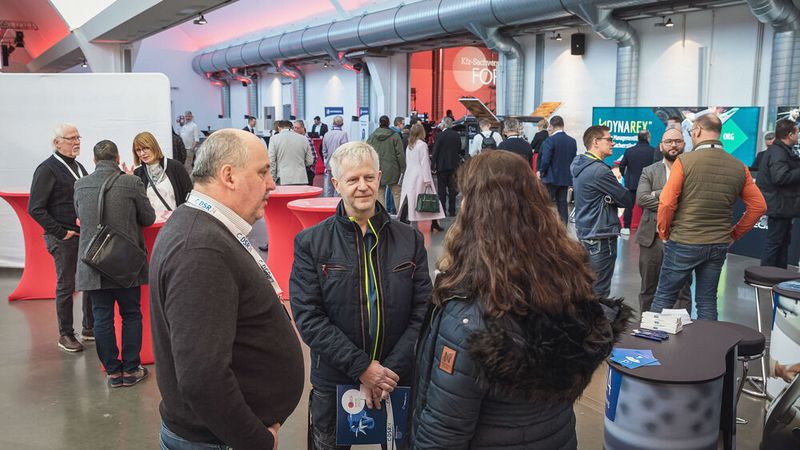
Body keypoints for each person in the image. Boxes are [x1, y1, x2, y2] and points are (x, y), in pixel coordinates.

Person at [411, 150, 632, 449]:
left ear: (477, 212)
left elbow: (444, 431)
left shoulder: (468, 315)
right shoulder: (569, 283)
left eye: (466, 198)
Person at [150, 129, 304, 449]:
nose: (272, 183)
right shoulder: (201, 249)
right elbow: (202, 377)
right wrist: (256, 440)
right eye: (262, 172)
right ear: (229, 176)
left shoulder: (203, 228)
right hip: (220, 440)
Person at [290, 141, 431, 450]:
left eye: (368, 177)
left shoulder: (409, 240)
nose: (362, 187)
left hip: (397, 378)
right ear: (337, 183)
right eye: (352, 180)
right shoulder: (311, 243)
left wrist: (386, 372)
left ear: (380, 177)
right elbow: (308, 317)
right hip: (335, 379)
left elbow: (422, 311)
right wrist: (363, 369)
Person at [651, 114, 767, 320]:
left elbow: (667, 202)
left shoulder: (684, 161)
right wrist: (734, 235)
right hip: (718, 244)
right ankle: (710, 350)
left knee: (664, 298)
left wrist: (664, 232)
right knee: (706, 301)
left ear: (696, 130)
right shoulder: (739, 166)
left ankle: (649, 348)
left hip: (684, 241)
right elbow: (758, 206)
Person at [74, 140, 155, 387]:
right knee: (131, 314)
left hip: (94, 263)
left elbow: (79, 215)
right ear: (118, 158)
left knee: (101, 318)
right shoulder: (132, 182)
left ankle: (112, 372)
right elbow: (148, 218)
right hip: (124, 263)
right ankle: (131, 370)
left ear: (94, 161)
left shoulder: (80, 184)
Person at [29, 123, 94, 352]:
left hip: (82, 235)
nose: (76, 142)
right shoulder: (47, 169)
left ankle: (89, 328)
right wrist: (60, 232)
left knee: (88, 281)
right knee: (66, 286)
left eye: (78, 137)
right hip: (63, 238)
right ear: (57, 142)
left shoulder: (78, 166)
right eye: (70, 138)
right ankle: (65, 334)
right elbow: (35, 208)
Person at [570, 125, 633, 298]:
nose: (613, 143)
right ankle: (598, 325)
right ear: (595, 142)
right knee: (600, 292)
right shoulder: (600, 170)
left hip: (586, 233)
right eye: (609, 139)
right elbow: (626, 199)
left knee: (589, 289)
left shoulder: (579, 164)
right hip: (601, 237)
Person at [636, 127, 693, 315]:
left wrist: (657, 193)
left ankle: (682, 335)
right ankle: (646, 328)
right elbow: (642, 199)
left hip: (681, 237)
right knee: (648, 288)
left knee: (682, 290)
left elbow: (691, 200)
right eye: (669, 141)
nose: (673, 145)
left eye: (677, 141)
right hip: (651, 239)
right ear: (661, 146)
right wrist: (671, 195)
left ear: (684, 144)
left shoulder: (691, 170)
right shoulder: (649, 171)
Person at [758, 119, 800, 269]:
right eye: (797, 133)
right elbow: (780, 177)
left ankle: (779, 276)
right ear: (789, 135)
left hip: (783, 206)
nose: (798, 136)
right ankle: (765, 276)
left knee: (781, 243)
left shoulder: (781, 151)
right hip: (779, 206)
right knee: (775, 243)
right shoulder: (778, 153)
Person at [131, 132, 193, 221]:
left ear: (154, 146)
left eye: (146, 148)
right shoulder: (138, 173)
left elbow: (189, 195)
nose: (142, 153)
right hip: (152, 225)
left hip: (176, 222)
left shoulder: (175, 167)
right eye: (138, 150)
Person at [398, 123, 445, 232]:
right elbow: (424, 163)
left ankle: (403, 219)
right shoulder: (422, 145)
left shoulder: (410, 145)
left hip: (410, 174)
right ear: (421, 132)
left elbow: (408, 161)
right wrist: (427, 179)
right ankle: (434, 223)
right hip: (421, 176)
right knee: (431, 198)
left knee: (410, 198)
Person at [539, 115, 578, 224]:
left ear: (551, 126)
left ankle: (548, 227)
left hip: (550, 178)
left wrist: (542, 172)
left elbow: (545, 160)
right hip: (565, 178)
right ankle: (563, 228)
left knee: (547, 204)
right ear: (563, 125)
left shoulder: (550, 140)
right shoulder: (572, 141)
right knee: (563, 204)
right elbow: (573, 159)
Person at [618, 130, 655, 235]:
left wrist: (626, 176)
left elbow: (622, 165)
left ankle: (626, 228)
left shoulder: (629, 151)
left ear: (638, 138)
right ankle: (646, 229)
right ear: (648, 138)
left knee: (629, 206)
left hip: (631, 184)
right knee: (646, 207)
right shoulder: (653, 151)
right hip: (648, 184)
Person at [366, 115, 405, 213]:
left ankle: (382, 216)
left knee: (380, 193)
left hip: (377, 169)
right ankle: (400, 215)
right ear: (389, 123)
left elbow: (367, 152)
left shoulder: (372, 136)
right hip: (393, 170)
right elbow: (400, 154)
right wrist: (403, 168)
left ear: (379, 123)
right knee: (396, 193)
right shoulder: (395, 136)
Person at [431, 117, 462, 216]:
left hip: (442, 165)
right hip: (454, 165)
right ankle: (452, 211)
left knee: (442, 189)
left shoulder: (440, 135)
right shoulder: (456, 135)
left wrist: (433, 165)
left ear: (443, 125)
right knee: (452, 189)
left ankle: (443, 210)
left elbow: (435, 151)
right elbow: (459, 149)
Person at [269, 120, 315, 186]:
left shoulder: (274, 139)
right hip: (301, 178)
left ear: (279, 127)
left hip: (282, 179)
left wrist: (272, 179)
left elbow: (271, 161)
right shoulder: (304, 138)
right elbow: (310, 161)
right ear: (292, 127)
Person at [321, 115, 349, 197]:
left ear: (333, 123)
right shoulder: (343, 134)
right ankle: (336, 206)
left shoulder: (327, 134)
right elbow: (345, 150)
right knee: (339, 186)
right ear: (342, 124)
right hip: (340, 164)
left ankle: (328, 204)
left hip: (329, 164)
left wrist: (327, 160)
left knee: (329, 187)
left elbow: (324, 150)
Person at [293, 119, 318, 186]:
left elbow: (314, 157)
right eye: (294, 128)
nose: (295, 130)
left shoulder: (307, 139)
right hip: (299, 171)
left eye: (297, 128)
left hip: (307, 171)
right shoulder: (295, 139)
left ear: (303, 128)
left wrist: (309, 168)